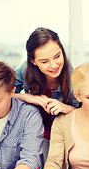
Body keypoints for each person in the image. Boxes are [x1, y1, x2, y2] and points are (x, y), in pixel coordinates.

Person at [15, 27, 78, 161]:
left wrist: (66, 108)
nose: (54, 65)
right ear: (33, 61)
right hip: (34, 137)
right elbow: (3, 94)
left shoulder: (75, 78)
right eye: (44, 61)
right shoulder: (25, 70)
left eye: (57, 56)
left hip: (64, 140)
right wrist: (29, 97)